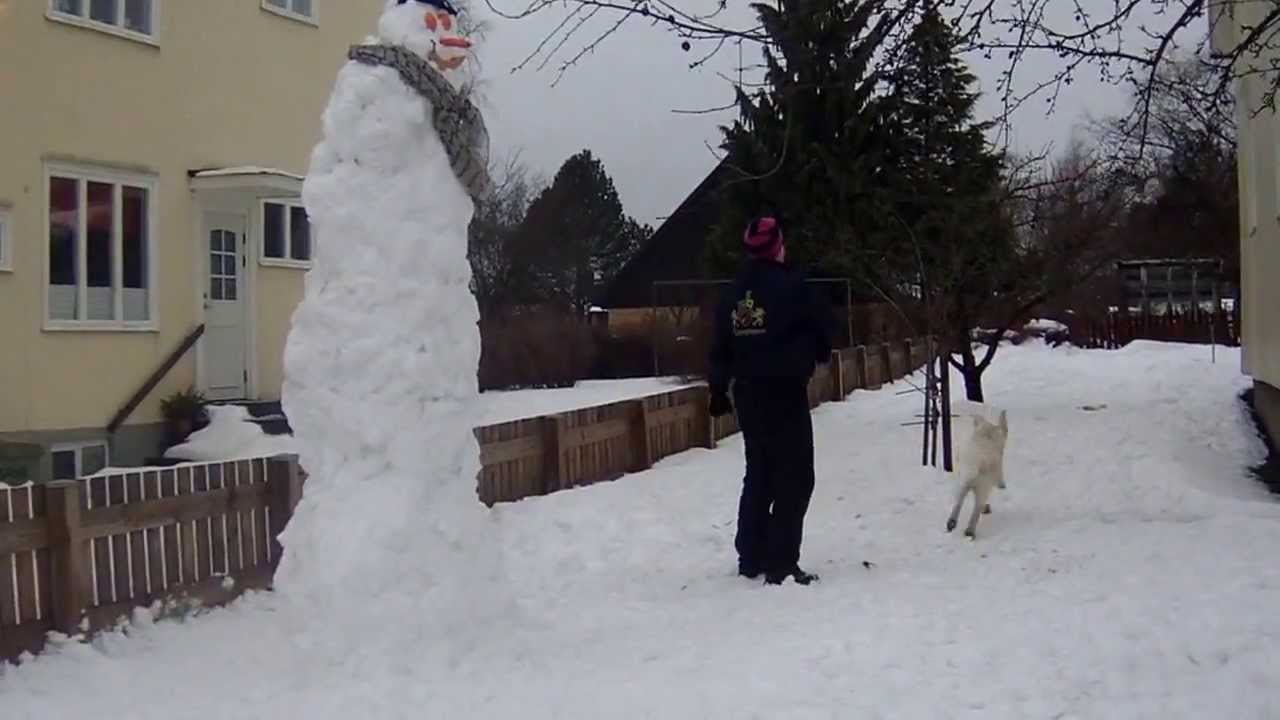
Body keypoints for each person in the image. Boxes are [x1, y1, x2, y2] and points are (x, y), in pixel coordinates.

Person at [708, 216, 832, 586]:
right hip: (784, 391)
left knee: (759, 472)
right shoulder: (794, 286)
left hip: (747, 394)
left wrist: (717, 389)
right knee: (795, 477)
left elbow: (719, 346)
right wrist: (814, 354)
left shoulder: (732, 293)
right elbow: (823, 328)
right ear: (778, 245)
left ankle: (751, 556)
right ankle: (781, 562)